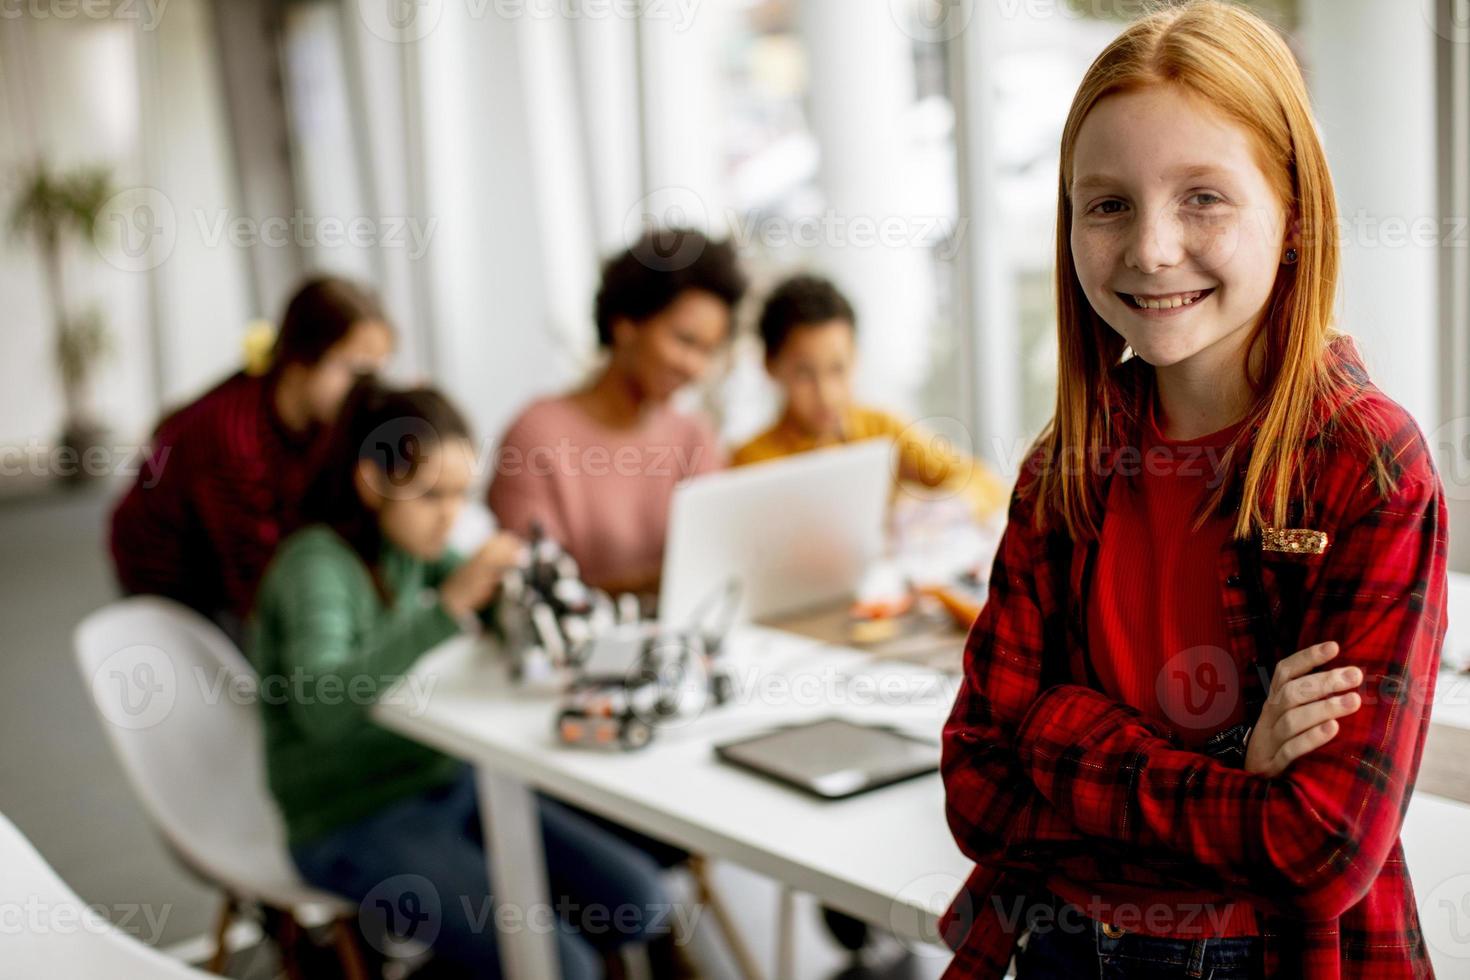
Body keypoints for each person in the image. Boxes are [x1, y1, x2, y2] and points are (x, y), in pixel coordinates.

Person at [938, 4, 1448, 979]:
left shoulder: (1366, 466)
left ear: (1294, 214)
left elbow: (1320, 844)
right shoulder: (1066, 464)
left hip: (1258, 956)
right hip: (1059, 945)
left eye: (1203, 197)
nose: (1153, 248)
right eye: (1108, 203)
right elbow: (976, 787)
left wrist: (1057, 727)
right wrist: (1227, 780)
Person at [251, 380, 683, 979]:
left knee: (638, 901)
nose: (451, 516)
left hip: (447, 779)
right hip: (349, 817)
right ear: (372, 481)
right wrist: (449, 605)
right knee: (563, 967)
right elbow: (322, 704)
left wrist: (515, 595)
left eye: (461, 495)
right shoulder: (317, 566)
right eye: (432, 495)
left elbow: (485, 605)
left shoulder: (412, 546)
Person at [109, 276, 393, 638]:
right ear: (301, 360)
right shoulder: (233, 435)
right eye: (356, 371)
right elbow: (253, 583)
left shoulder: (322, 418)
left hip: (238, 549)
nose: (369, 389)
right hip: (171, 574)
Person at [488, 228, 748, 598]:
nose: (696, 368)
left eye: (708, 351)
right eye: (684, 340)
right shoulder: (536, 436)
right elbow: (543, 594)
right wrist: (661, 585)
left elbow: (720, 558)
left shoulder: (694, 436)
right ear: (625, 325)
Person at [733, 273, 1007, 525]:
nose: (826, 394)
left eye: (838, 368)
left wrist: (946, 507)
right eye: (804, 374)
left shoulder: (881, 430)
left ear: (856, 357)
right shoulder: (751, 462)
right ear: (770, 366)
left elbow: (982, 480)